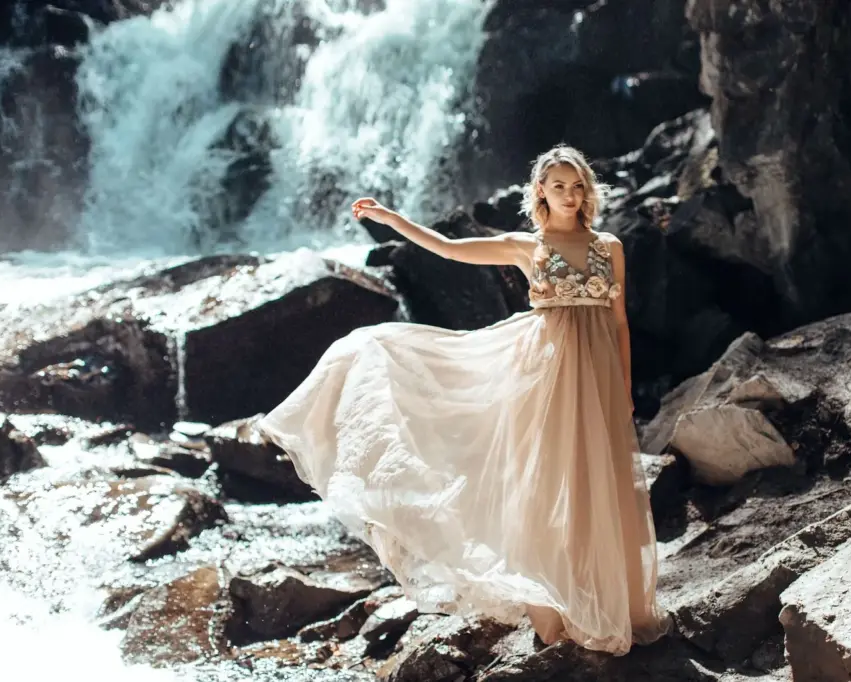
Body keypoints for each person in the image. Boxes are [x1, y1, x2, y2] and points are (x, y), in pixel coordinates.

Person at [257, 145, 670, 655]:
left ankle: (604, 602)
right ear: (540, 190)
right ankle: (548, 613)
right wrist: (391, 219)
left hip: (598, 376)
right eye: (558, 185)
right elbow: (450, 249)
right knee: (542, 486)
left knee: (594, 485)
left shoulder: (610, 245)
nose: (569, 194)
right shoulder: (528, 245)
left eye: (577, 185)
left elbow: (619, 321)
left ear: (588, 191)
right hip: (542, 374)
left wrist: (624, 387)